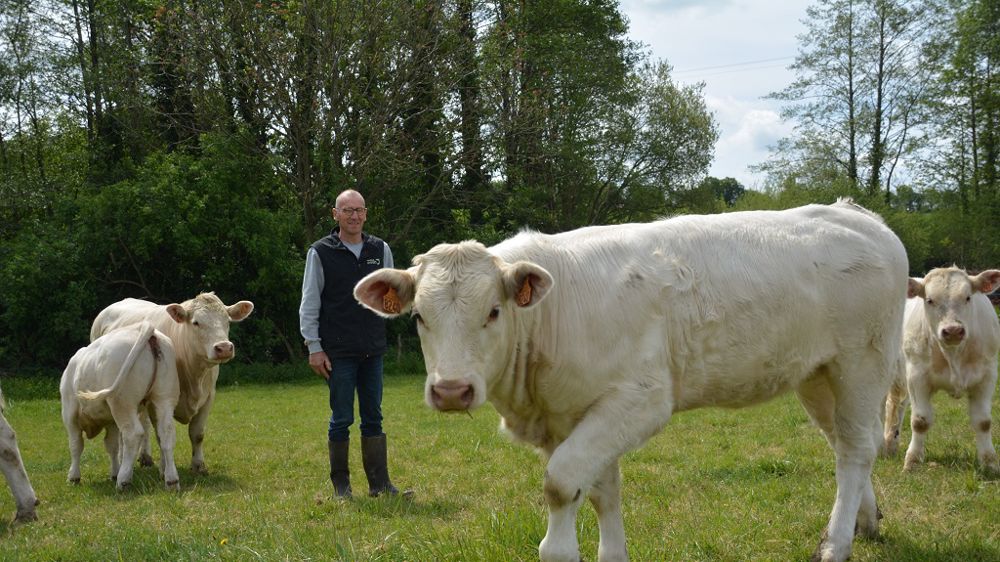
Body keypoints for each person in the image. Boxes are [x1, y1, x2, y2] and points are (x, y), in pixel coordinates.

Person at [299, 189, 408, 499]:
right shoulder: (320, 252)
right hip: (337, 351)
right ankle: (341, 487)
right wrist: (314, 347)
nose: (354, 216)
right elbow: (310, 303)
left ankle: (380, 485)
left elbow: (392, 293)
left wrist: (396, 304)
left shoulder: (380, 249)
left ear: (366, 214)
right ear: (335, 215)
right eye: (347, 210)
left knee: (374, 416)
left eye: (359, 210)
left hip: (373, 348)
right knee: (342, 418)